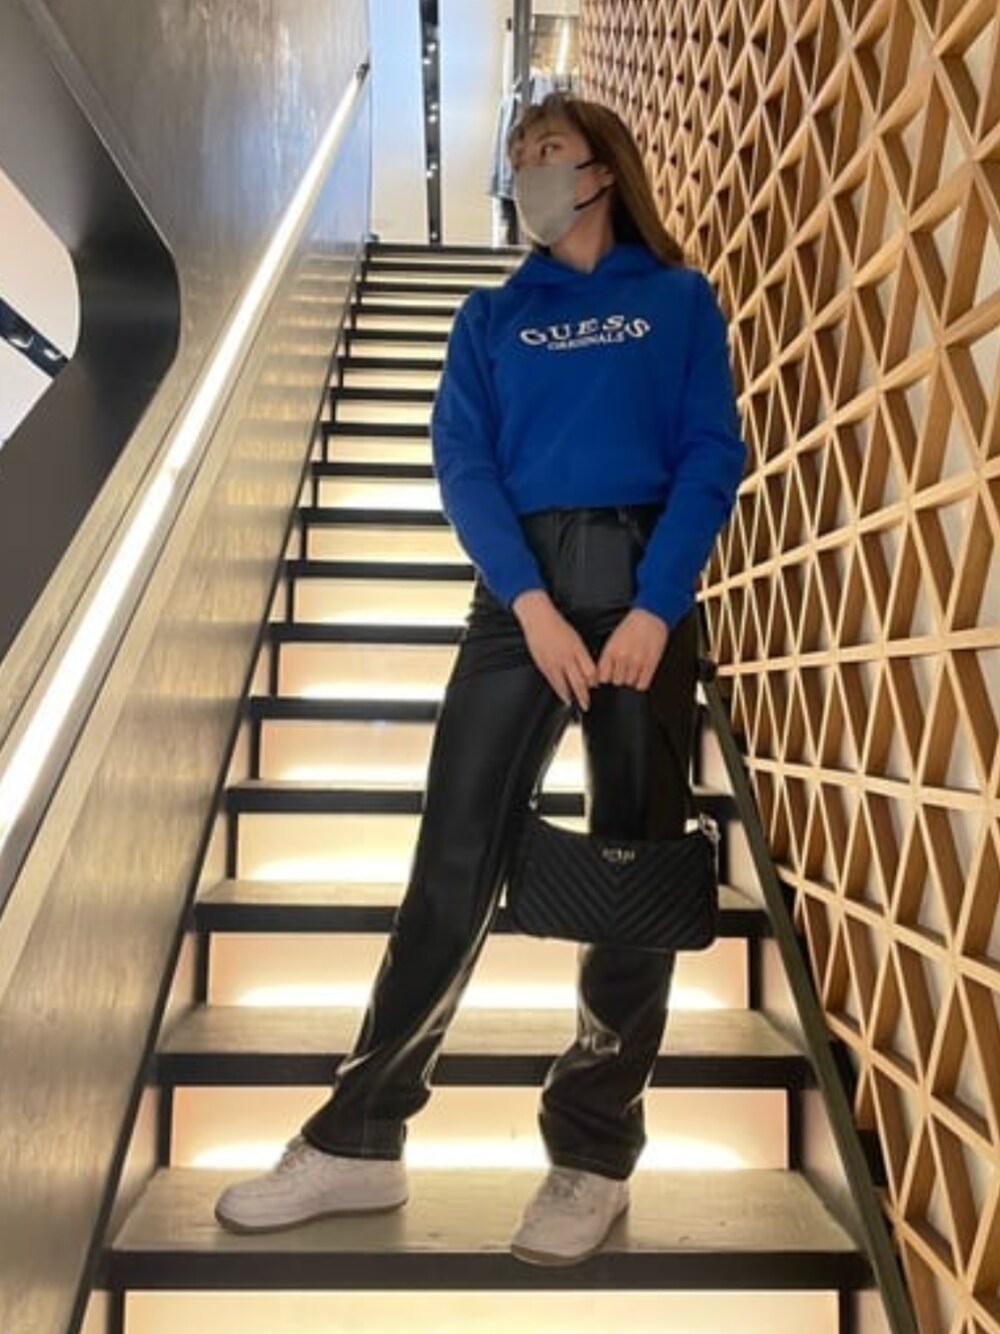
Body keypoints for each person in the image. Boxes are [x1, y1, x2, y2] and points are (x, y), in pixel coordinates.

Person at [215, 92, 746, 1265]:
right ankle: (359, 1136)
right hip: (520, 604)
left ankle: (591, 1156)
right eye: (519, 158)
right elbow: (462, 460)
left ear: (602, 169)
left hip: (645, 594)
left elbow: (712, 450)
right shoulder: (491, 315)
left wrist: (657, 604)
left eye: (549, 151)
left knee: (632, 869)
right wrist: (531, 603)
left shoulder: (676, 297)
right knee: (451, 860)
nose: (529, 172)